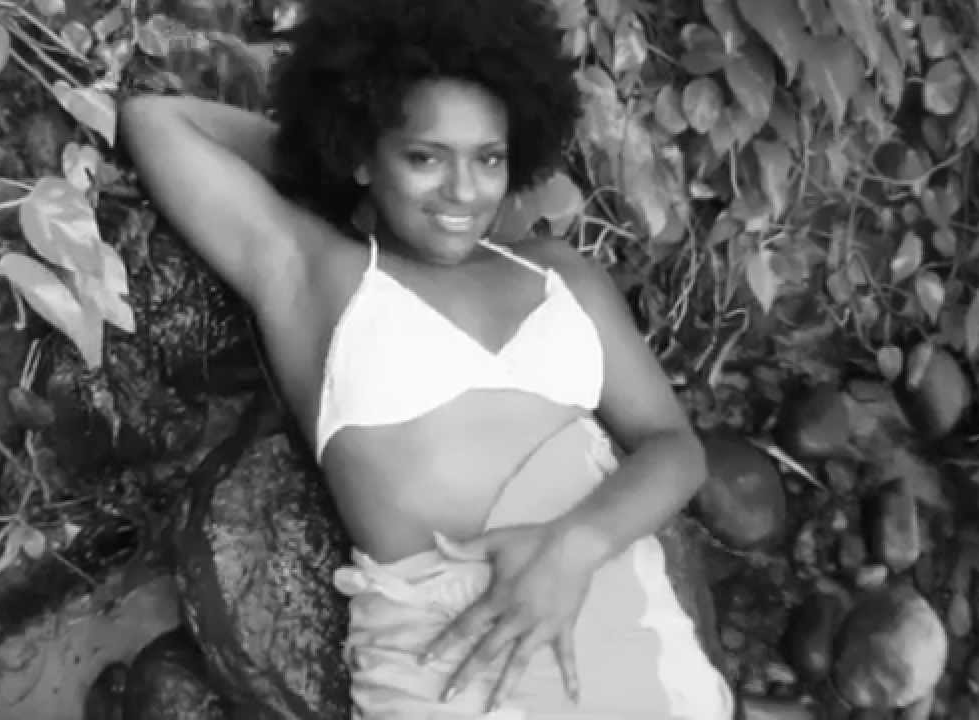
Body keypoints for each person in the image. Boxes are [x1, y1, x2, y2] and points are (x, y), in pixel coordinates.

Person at [119, 0, 735, 716]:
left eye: (488, 158)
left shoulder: (560, 276)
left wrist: (574, 547)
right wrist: (329, 160)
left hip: (633, 640)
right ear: (364, 149)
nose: (463, 191)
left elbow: (675, 448)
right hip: (456, 673)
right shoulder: (315, 278)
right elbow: (156, 122)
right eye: (424, 157)